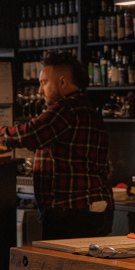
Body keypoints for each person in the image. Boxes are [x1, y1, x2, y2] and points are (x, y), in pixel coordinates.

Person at [0, 51, 114, 240]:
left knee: (64, 268)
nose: (39, 91)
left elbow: (30, 134)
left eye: (44, 82)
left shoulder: (66, 109)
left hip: (73, 211)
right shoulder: (84, 107)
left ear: (62, 82)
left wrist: (2, 135)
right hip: (88, 208)